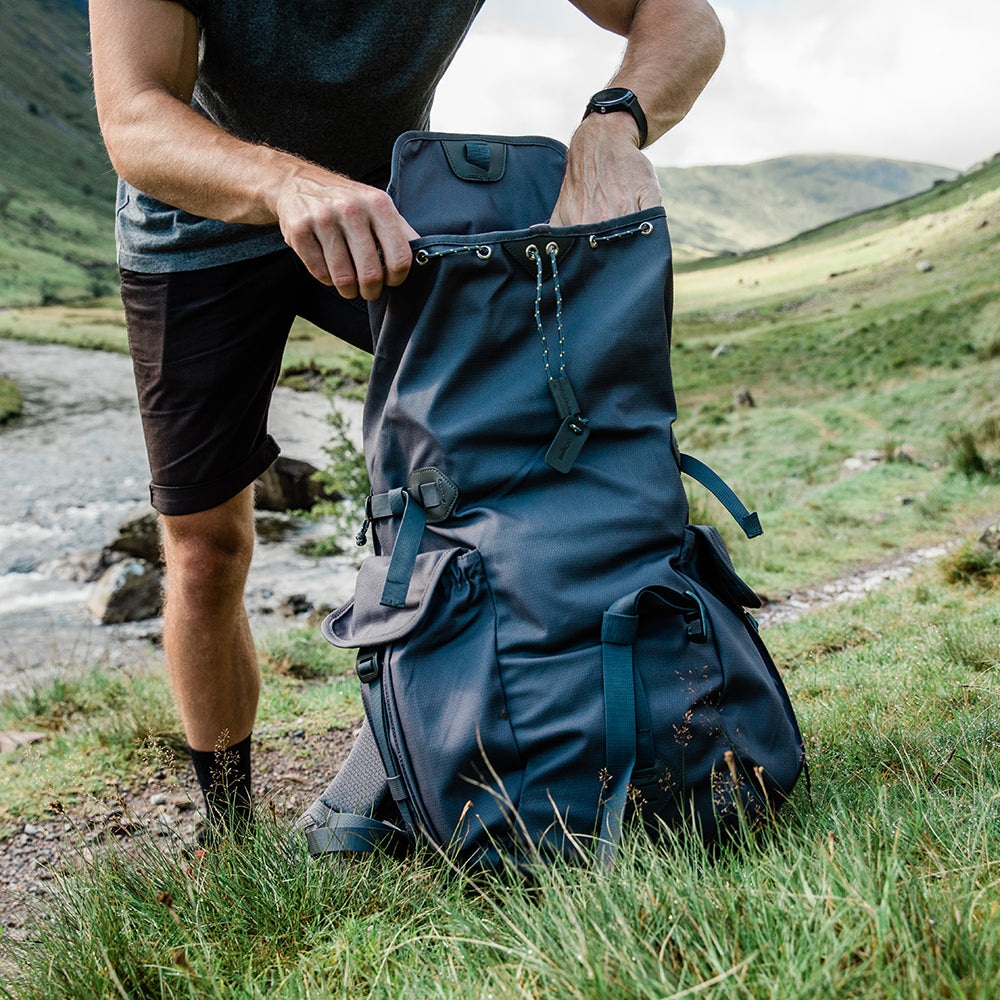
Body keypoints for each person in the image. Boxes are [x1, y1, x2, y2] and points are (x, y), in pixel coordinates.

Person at [88, 0, 725, 841]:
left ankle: (457, 748)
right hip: (193, 227)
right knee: (206, 550)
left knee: (509, 471)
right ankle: (230, 828)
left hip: (388, 219)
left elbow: (684, 20)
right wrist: (286, 182)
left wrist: (614, 122)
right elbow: (133, 117)